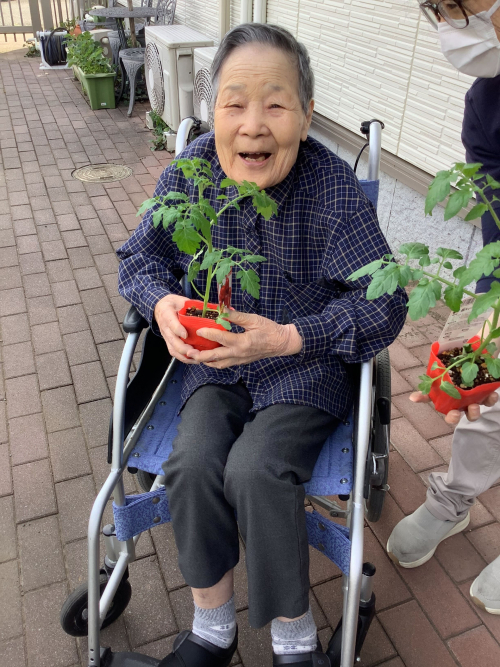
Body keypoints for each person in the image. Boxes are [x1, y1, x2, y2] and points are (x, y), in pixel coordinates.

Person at [118, 23, 407, 667]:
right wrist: (161, 302)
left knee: (256, 469)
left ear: (306, 116)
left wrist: (291, 336)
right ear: (213, 112)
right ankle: (212, 628)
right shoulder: (193, 172)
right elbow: (139, 257)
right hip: (215, 365)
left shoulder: (331, 189)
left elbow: (385, 302)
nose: (253, 125)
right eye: (235, 104)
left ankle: (293, 640)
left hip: (303, 367)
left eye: (276, 104)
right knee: (192, 464)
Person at [388, 0, 500, 616]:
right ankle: (454, 501)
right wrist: (485, 313)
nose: (454, 24)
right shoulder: (488, 103)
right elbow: (496, 218)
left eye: (461, 4)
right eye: (439, 8)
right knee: (484, 385)